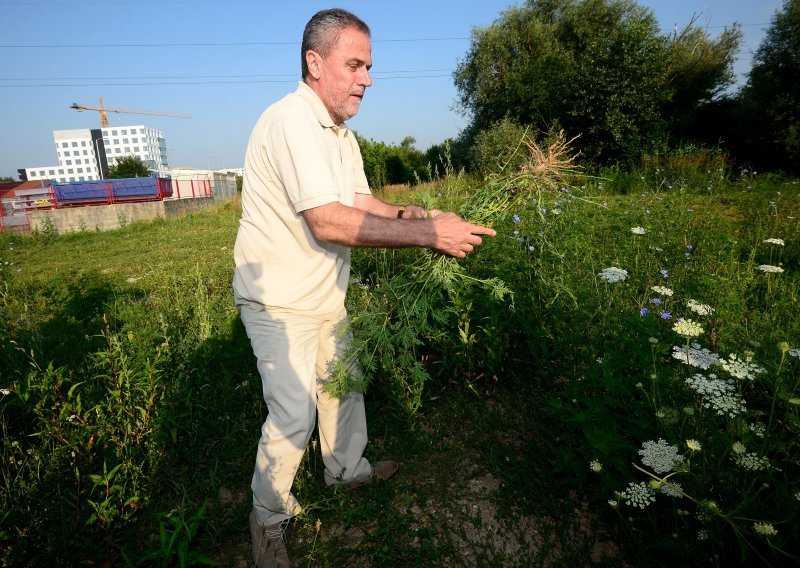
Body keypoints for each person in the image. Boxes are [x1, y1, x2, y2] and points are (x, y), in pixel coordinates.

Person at [232, 8, 496, 567]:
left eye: (369, 66)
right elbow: (327, 221)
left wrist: (417, 212)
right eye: (355, 65)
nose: (367, 78)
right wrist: (428, 235)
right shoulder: (290, 122)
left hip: (324, 293)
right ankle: (268, 518)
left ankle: (347, 473)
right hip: (279, 301)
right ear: (315, 62)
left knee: (344, 387)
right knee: (292, 416)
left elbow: (358, 202)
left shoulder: (339, 134)